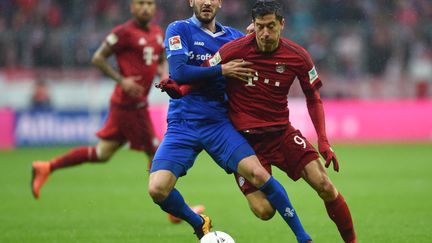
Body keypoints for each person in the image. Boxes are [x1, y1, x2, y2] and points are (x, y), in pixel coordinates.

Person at [159, 1, 357, 242]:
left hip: (282, 134)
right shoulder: (234, 48)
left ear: (282, 25)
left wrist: (323, 141)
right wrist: (179, 90)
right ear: (253, 25)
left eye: (271, 26)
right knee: (264, 212)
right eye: (260, 26)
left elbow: (313, 98)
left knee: (324, 184)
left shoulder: (298, 55)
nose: (265, 33)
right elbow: (201, 74)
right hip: (245, 139)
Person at [31, 0, 169, 200]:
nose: (146, 8)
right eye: (141, 3)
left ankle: (47, 167)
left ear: (155, 8)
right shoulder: (124, 32)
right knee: (156, 152)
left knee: (102, 153)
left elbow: (160, 58)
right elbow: (98, 58)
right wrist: (122, 80)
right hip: (129, 104)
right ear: (132, 7)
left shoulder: (157, 32)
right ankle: (173, 208)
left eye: (149, 3)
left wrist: (163, 73)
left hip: (132, 104)